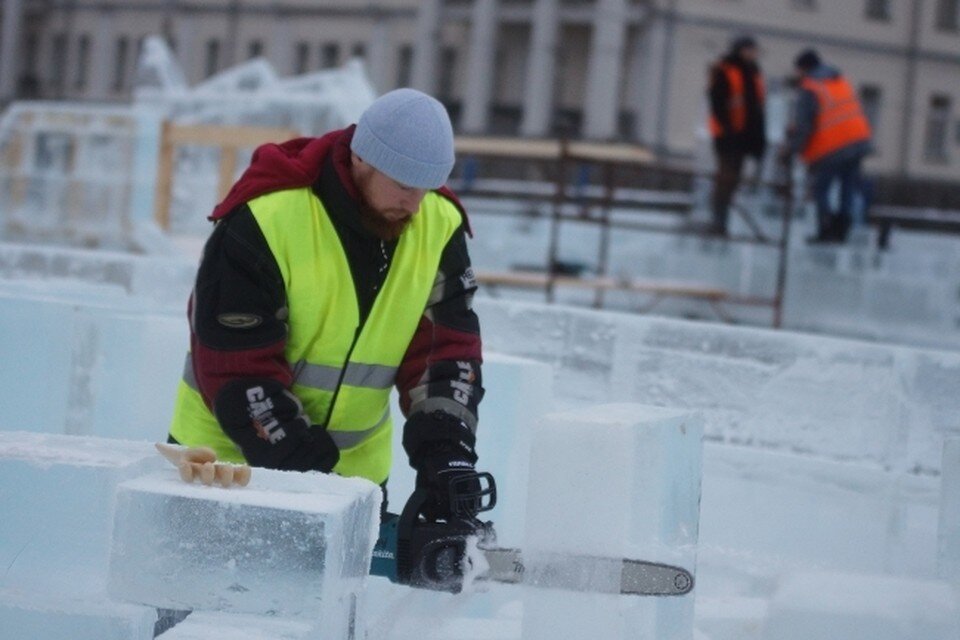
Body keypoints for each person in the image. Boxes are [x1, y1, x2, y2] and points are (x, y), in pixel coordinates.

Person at [167, 88, 487, 521]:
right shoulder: (267, 219)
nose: (414, 205)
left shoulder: (437, 222)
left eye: (428, 188)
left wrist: (446, 455)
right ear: (361, 159)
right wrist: (308, 474)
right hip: (224, 469)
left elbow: (447, 354)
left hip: (355, 484)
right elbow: (236, 363)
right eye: (403, 185)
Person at [784, 49, 872, 244]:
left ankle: (826, 230)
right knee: (848, 187)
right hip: (858, 141)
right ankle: (843, 230)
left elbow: (804, 126)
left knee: (821, 189)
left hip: (833, 147)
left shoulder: (810, 87)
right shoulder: (840, 80)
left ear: (803, 68)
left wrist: (792, 151)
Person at [707, 35, 768, 237]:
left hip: (744, 138)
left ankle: (721, 222)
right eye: (749, 49)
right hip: (727, 136)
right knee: (725, 178)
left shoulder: (754, 73)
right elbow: (718, 103)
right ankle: (718, 222)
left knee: (733, 180)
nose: (753, 54)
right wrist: (727, 130)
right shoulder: (725, 70)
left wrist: (757, 140)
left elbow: (757, 108)